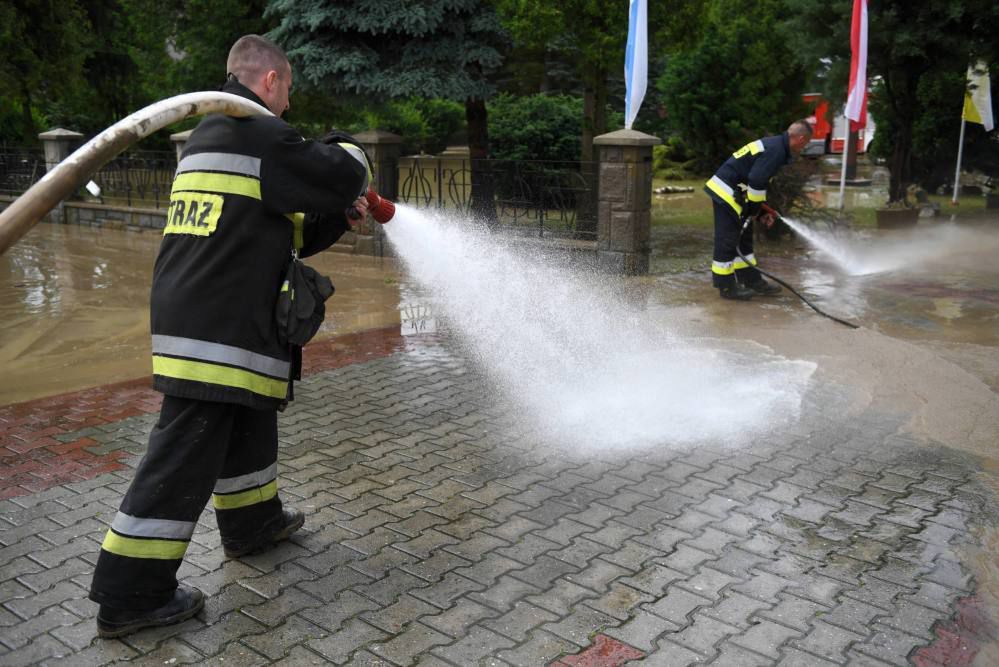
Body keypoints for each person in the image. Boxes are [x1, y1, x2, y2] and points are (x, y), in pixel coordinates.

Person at [88, 34, 372, 638]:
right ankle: (129, 594)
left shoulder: (210, 137)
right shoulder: (260, 134)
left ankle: (253, 523)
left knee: (248, 418)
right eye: (288, 90)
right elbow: (343, 172)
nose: (289, 104)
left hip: (204, 313)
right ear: (269, 81)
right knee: (184, 451)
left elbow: (280, 231)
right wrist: (350, 152)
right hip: (217, 325)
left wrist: (335, 220)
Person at [704, 120, 813, 300]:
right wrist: (755, 208)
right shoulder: (777, 150)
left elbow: (754, 180)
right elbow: (756, 179)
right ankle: (726, 287)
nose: (805, 147)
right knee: (728, 239)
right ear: (801, 138)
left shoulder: (776, 146)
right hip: (726, 193)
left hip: (736, 193)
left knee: (744, 239)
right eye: (806, 142)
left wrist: (759, 211)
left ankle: (750, 280)